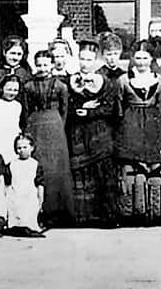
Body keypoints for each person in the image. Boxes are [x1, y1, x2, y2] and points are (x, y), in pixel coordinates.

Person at [115, 45, 161, 225]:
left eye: (145, 58)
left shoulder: (159, 80)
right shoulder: (124, 80)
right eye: (138, 58)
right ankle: (132, 212)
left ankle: (153, 212)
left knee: (153, 168)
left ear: (151, 59)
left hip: (152, 125)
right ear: (133, 59)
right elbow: (119, 106)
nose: (141, 62)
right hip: (131, 125)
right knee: (132, 167)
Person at [66, 53, 120, 226]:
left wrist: (90, 112)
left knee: (102, 171)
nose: (85, 63)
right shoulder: (70, 81)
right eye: (82, 59)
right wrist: (80, 108)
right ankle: (84, 216)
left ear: (96, 61)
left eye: (89, 59)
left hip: (99, 131)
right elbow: (66, 106)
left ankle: (106, 216)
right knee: (82, 171)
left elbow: (110, 108)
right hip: (78, 132)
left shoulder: (105, 82)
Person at [21, 48, 72, 226]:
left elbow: (65, 111)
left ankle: (58, 212)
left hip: (55, 127)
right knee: (39, 165)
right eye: (39, 65)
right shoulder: (28, 86)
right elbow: (26, 110)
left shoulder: (61, 86)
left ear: (51, 65)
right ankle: (40, 212)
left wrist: (58, 127)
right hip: (35, 125)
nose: (42, 68)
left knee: (56, 168)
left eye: (45, 64)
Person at [5, 132, 45, 237]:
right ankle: (16, 228)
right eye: (19, 148)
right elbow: (7, 184)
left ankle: (30, 228)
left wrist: (40, 199)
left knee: (29, 213)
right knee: (16, 215)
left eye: (25, 147)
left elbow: (40, 184)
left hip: (30, 195)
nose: (22, 150)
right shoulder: (12, 164)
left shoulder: (35, 164)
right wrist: (7, 198)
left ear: (32, 148)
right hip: (15, 195)